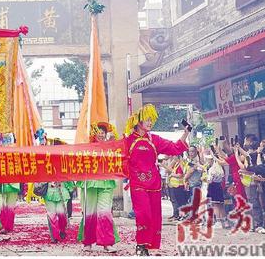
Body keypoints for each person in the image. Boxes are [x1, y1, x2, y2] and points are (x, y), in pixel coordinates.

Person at [123, 104, 189, 255]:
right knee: (143, 213)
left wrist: (185, 133)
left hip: (154, 184)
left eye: (151, 120)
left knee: (153, 216)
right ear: (138, 121)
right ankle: (141, 244)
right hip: (137, 183)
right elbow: (118, 158)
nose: (150, 122)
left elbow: (174, 148)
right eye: (147, 119)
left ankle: (146, 246)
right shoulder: (128, 140)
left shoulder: (155, 139)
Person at [77, 121, 121, 253]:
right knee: (90, 211)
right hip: (90, 182)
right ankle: (88, 242)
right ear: (93, 134)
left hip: (106, 182)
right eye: (99, 132)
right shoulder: (87, 147)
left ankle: (107, 243)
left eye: (103, 133)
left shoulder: (110, 147)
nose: (101, 135)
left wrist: (115, 142)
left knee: (105, 212)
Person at [44, 138, 74, 243]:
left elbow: (69, 177)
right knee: (51, 215)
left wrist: (70, 186)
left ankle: (62, 229)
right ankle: (54, 237)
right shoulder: (45, 161)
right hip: (49, 192)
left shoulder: (65, 162)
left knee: (61, 214)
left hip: (62, 192)